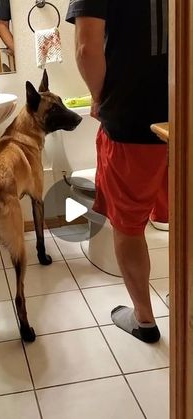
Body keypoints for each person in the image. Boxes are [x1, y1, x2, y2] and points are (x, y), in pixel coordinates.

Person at [66, 1, 168, 343]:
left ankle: (145, 320)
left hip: (132, 121)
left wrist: (99, 97)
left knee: (128, 225)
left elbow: (86, 47)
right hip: (184, 117)